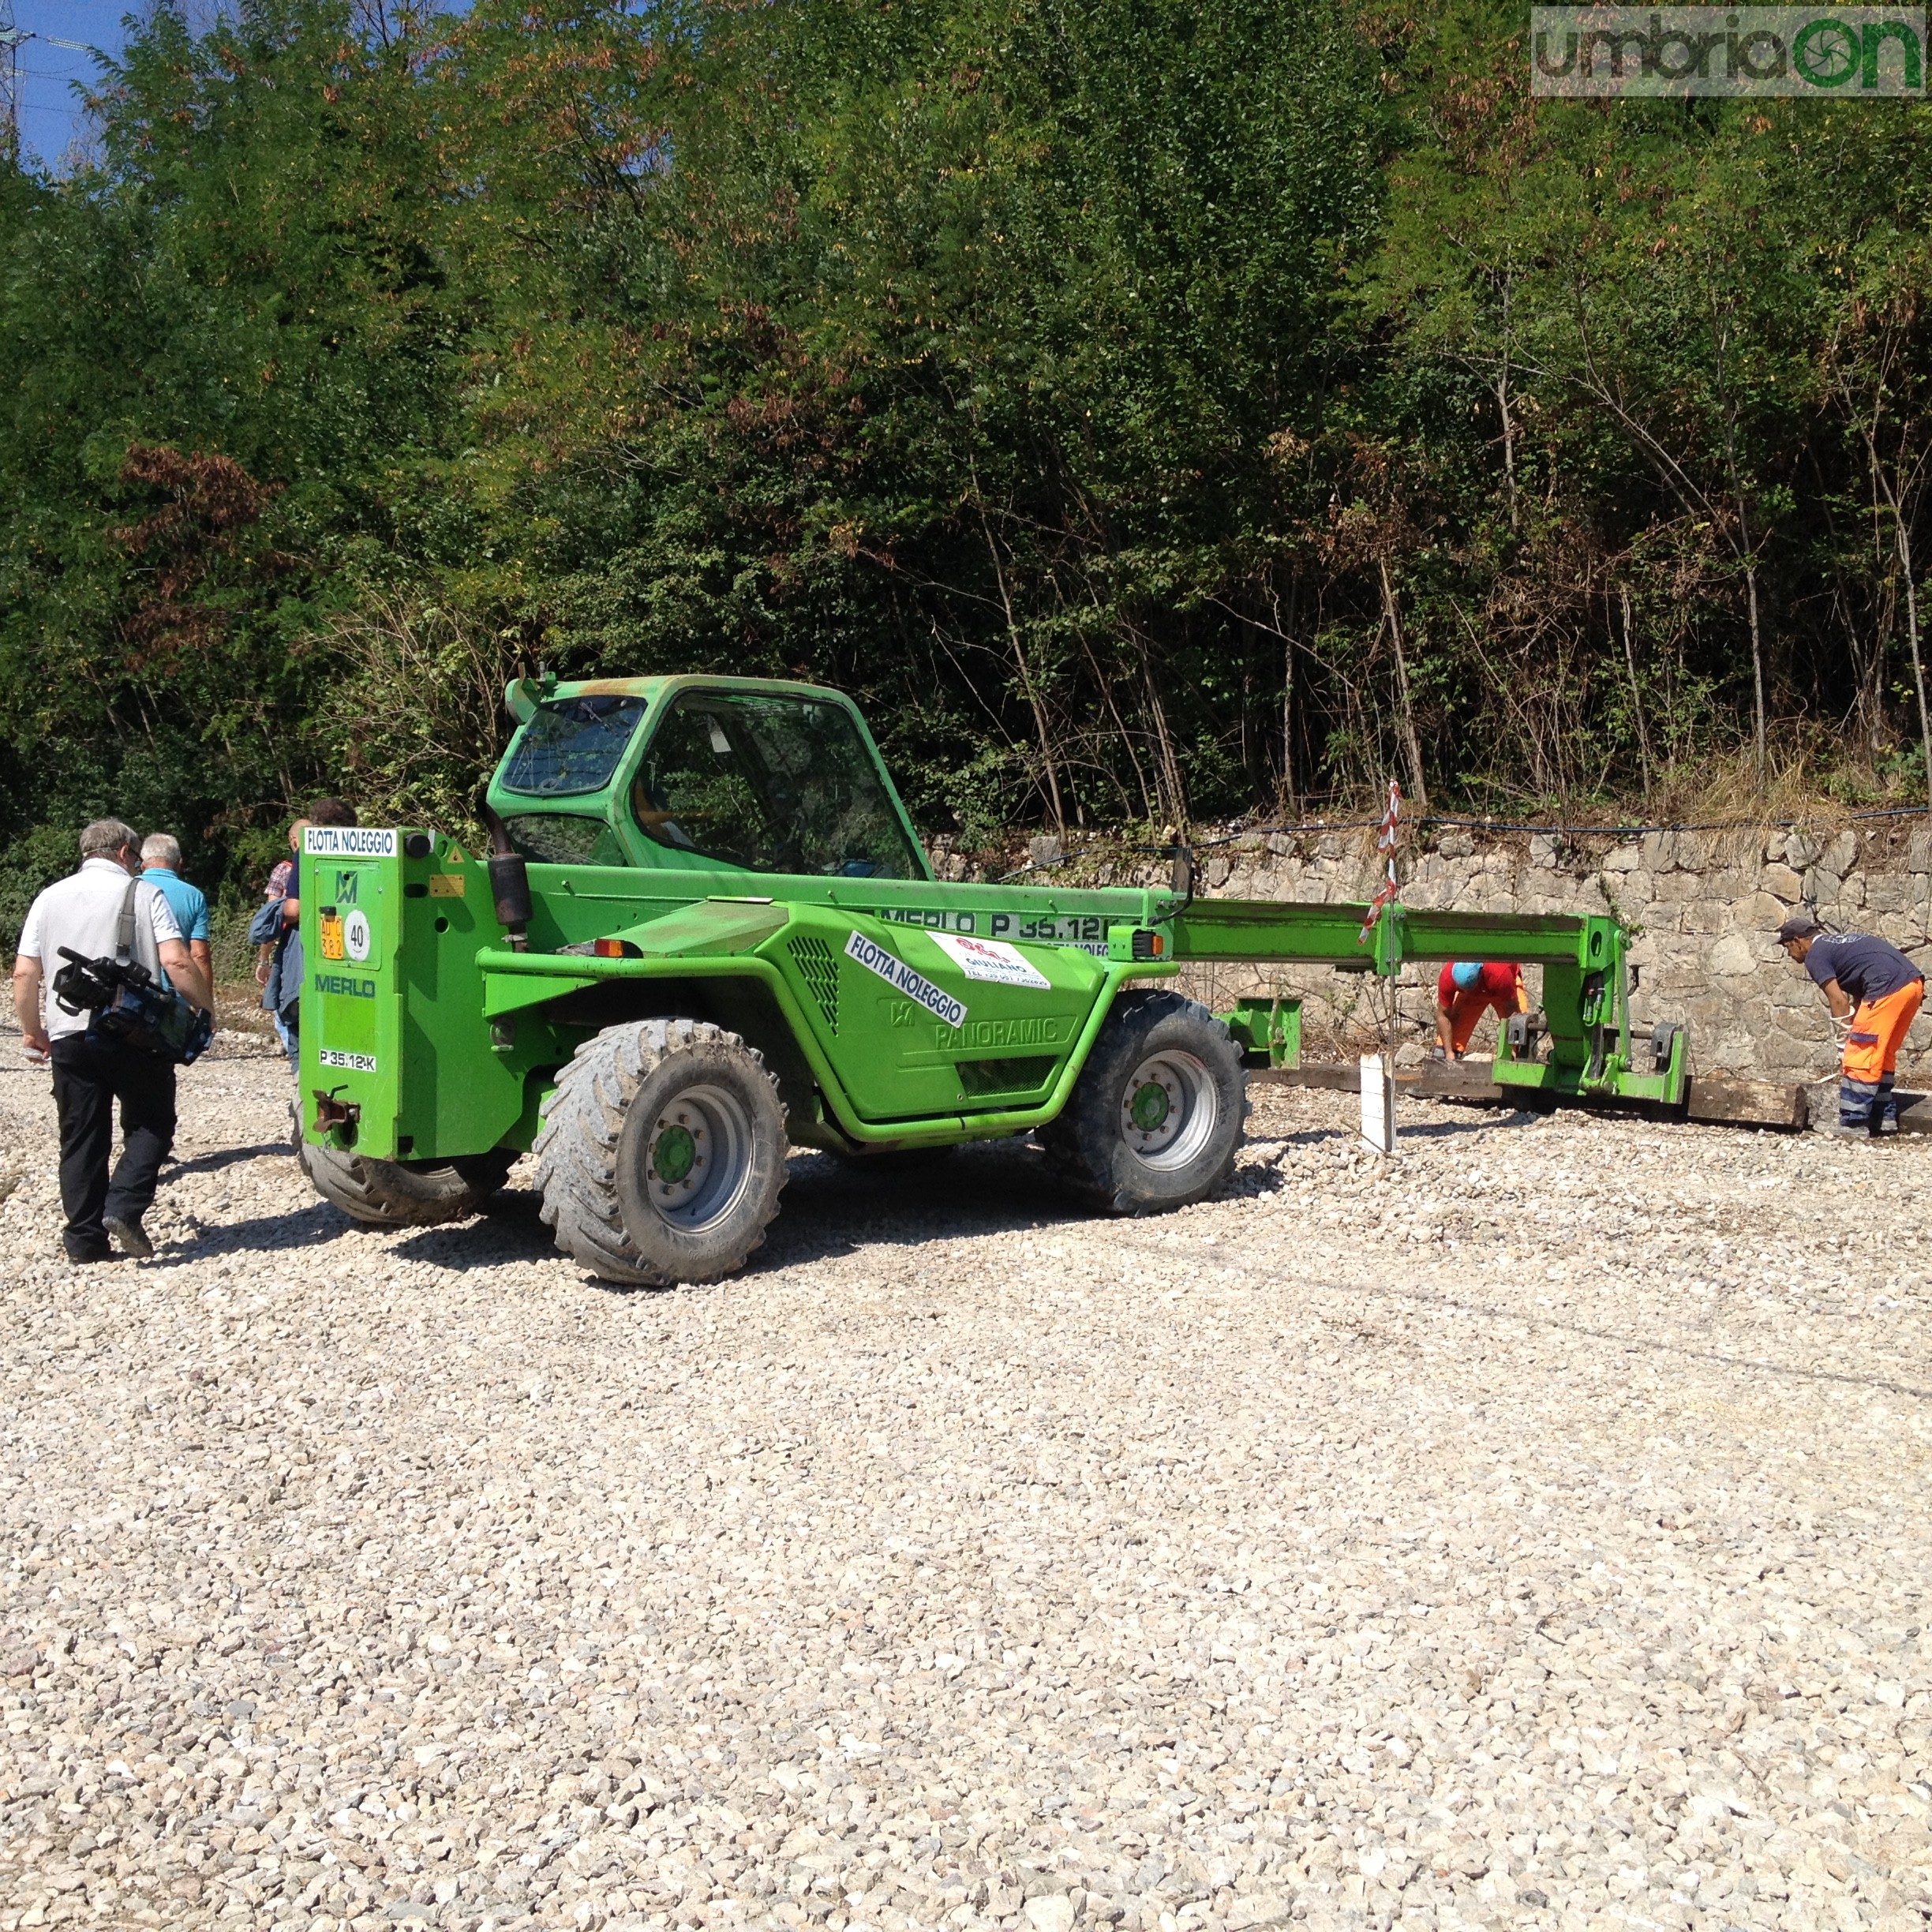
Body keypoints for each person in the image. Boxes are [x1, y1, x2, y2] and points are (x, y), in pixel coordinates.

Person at [11, 818, 212, 1264]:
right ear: (125, 852)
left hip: (68, 1034)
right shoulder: (144, 894)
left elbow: (25, 972)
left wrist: (33, 1031)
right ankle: (122, 1207)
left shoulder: (49, 897)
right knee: (151, 1122)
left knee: (81, 1135)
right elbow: (177, 962)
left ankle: (84, 1242)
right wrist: (205, 1009)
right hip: (132, 1031)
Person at [1777, 912, 1926, 1136]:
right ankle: (1883, 1116)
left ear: (1798, 941)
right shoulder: (1838, 944)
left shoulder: (1815, 955)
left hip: (1886, 987)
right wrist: (1855, 1027)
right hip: (1912, 985)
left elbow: (1839, 1001)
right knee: (1881, 1052)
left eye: (1788, 947)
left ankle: (1853, 1123)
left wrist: (1843, 1043)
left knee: (1859, 1054)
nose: (1789, 954)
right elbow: (1861, 989)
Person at [257, 799, 358, 1068]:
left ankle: (306, 1089)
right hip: (357, 955)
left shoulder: (310, 851)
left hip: (313, 949)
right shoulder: (368, 850)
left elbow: (294, 908)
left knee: (303, 1027)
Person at [140, 833, 213, 995]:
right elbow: (200, 955)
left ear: (143, 865)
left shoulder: (127, 889)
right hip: (176, 994)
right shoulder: (193, 895)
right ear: (180, 864)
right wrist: (207, 1008)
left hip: (132, 992)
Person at [1433, 960, 1528, 1060]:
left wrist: (1513, 1047)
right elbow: (1443, 1015)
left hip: (1502, 991)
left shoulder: (1500, 975)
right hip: (1472, 994)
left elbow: (1512, 1010)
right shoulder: (1448, 977)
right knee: (1446, 1048)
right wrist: (1448, 1052)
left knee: (1520, 1028)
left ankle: (1519, 1058)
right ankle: (1448, 1055)